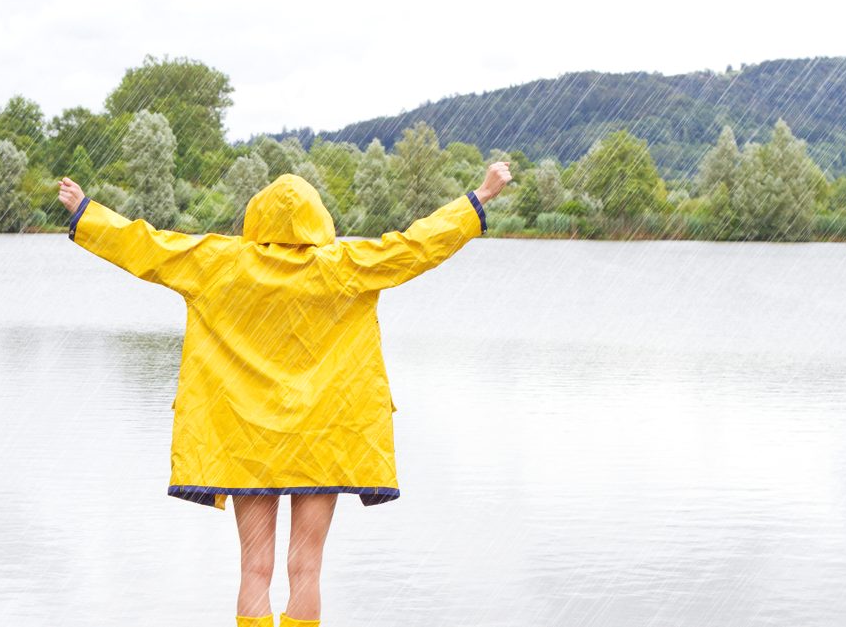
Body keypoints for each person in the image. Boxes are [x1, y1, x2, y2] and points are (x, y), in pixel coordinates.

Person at [57, 161, 511, 627]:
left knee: (254, 568)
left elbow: (146, 245)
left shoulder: (217, 263)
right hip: (321, 438)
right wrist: (480, 195)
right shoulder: (346, 266)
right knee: (306, 567)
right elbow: (418, 245)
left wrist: (87, 213)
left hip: (247, 441)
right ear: (319, 219)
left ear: (256, 217)